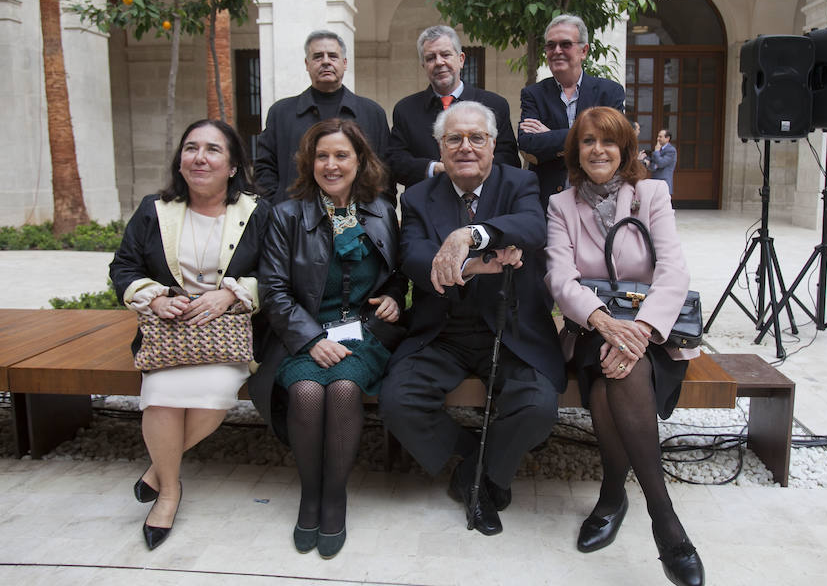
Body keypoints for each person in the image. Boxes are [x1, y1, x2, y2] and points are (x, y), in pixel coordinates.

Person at [379, 101, 565, 536]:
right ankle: (481, 462)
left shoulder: (520, 181)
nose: (466, 147)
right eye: (454, 139)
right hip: (443, 331)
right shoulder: (420, 197)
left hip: (511, 326)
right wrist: (467, 268)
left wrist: (472, 235)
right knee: (398, 403)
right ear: (440, 148)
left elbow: (532, 227)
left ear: (493, 144)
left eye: (476, 138)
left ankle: (473, 478)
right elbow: (413, 255)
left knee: (538, 407)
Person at [544, 107, 704, 586]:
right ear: (576, 150)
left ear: (625, 149)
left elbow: (673, 271)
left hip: (654, 332)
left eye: (608, 142)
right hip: (595, 328)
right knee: (616, 371)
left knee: (610, 385)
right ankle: (666, 523)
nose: (598, 150)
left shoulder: (652, 194)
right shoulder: (561, 205)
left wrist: (642, 330)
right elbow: (559, 276)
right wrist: (600, 320)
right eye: (588, 141)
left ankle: (617, 496)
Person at [249, 119, 406, 559]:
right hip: (301, 332)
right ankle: (310, 494)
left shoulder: (379, 211)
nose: (331, 165)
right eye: (322, 156)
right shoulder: (286, 215)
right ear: (309, 162)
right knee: (304, 391)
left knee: (341, 388)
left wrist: (394, 296)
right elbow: (274, 291)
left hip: (365, 332)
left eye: (342, 155)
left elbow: (398, 273)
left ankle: (334, 497)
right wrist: (310, 338)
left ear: (360, 161)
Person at [109, 119, 270, 550]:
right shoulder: (153, 209)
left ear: (233, 165)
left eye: (213, 150)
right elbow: (123, 268)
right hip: (170, 334)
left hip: (228, 334)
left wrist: (231, 296)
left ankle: (158, 469)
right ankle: (170, 490)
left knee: (213, 396)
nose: (200, 158)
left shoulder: (256, 211)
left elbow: (276, 275)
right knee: (160, 395)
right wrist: (155, 299)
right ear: (180, 161)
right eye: (191, 148)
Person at [254, 30, 392, 205]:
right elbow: (264, 168)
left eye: (332, 56)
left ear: (344, 63)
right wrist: (276, 207)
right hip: (295, 221)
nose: (326, 62)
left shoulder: (372, 113)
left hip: (358, 220)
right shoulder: (281, 113)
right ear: (307, 63)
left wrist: (380, 213)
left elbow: (385, 170)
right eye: (318, 57)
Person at [386, 25, 520, 189]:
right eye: (430, 58)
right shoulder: (405, 109)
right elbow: (395, 161)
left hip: (484, 205)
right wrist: (434, 168)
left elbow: (509, 159)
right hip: (425, 206)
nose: (439, 62)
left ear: (461, 59)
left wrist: (469, 170)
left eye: (445, 55)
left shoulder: (494, 105)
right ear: (423, 66)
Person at [518, 14, 625, 210]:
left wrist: (551, 137)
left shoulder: (609, 92)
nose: (557, 51)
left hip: (599, 198)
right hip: (548, 201)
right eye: (550, 45)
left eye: (565, 44)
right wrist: (587, 138)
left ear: (583, 51)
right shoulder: (533, 94)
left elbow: (615, 139)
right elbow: (528, 144)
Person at [648, 129, 677, 194]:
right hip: (654, 181)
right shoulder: (657, 148)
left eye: (660, 137)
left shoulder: (671, 150)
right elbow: (652, 166)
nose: (658, 139)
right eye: (658, 136)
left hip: (664, 182)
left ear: (667, 138)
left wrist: (657, 152)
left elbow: (661, 163)